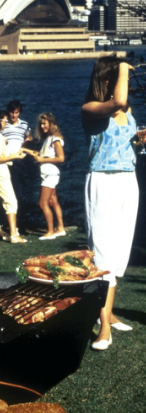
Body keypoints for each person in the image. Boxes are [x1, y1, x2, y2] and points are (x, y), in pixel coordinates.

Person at [82, 57, 138, 351]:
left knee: (118, 253)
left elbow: (122, 136)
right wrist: (124, 68)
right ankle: (104, 326)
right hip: (102, 182)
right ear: (107, 80)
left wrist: (139, 141)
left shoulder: (127, 111)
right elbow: (118, 101)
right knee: (103, 255)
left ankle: (109, 313)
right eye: (118, 77)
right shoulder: (90, 108)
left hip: (128, 181)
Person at [0, 109, 27, 243]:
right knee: (11, 201)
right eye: (5, 121)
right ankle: (14, 235)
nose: (6, 123)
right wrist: (15, 157)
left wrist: (13, 153)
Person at [23, 113, 65, 240]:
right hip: (48, 174)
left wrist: (42, 160)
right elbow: (40, 155)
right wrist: (25, 150)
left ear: (51, 124)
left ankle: (50, 231)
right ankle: (60, 228)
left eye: (45, 123)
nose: (42, 126)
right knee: (53, 201)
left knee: (42, 203)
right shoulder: (48, 139)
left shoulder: (55, 139)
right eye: (41, 124)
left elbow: (61, 158)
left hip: (50, 174)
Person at [2, 100, 32, 226]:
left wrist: (26, 142)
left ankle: (16, 223)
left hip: (19, 161)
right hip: (6, 161)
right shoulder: (3, 124)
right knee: (6, 193)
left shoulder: (24, 124)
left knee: (18, 192)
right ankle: (4, 223)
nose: (14, 115)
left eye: (16, 112)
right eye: (12, 112)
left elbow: (30, 136)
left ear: (19, 113)